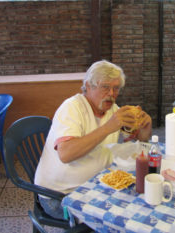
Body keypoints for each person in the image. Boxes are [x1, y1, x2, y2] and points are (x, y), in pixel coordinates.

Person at [34, 60, 152, 219]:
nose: (111, 93)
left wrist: (145, 127)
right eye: (105, 87)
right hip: (61, 196)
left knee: (142, 203)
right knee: (122, 217)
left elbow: (138, 142)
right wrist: (108, 127)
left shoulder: (112, 109)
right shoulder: (72, 108)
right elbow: (65, 154)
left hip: (96, 185)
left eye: (116, 88)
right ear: (89, 86)